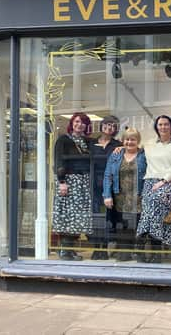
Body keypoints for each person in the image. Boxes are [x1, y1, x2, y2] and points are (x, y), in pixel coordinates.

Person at [136, 115, 171, 263]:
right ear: (156, 127)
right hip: (149, 181)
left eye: (166, 124)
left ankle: (141, 243)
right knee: (150, 208)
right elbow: (133, 149)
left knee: (152, 203)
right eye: (160, 124)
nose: (163, 127)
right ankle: (154, 252)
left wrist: (164, 180)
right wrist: (120, 146)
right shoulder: (149, 143)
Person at [102, 128, 147, 261]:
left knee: (140, 224)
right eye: (127, 139)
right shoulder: (116, 154)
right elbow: (107, 175)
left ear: (138, 141)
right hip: (120, 195)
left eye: (133, 139)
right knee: (123, 224)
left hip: (139, 195)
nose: (129, 142)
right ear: (123, 141)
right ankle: (125, 251)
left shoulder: (144, 154)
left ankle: (139, 252)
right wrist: (107, 195)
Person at [53, 112, 93, 260]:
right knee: (68, 216)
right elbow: (59, 161)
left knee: (79, 217)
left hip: (83, 182)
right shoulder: (64, 140)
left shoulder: (88, 142)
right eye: (77, 121)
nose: (79, 124)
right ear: (72, 123)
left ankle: (68, 249)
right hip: (70, 182)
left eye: (83, 122)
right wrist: (62, 181)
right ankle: (65, 250)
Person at [89, 115, 122, 260]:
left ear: (115, 129)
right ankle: (97, 248)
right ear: (102, 125)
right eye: (107, 124)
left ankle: (106, 247)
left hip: (109, 182)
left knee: (108, 216)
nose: (109, 128)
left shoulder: (118, 145)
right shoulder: (92, 143)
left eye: (112, 126)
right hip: (93, 182)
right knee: (95, 214)